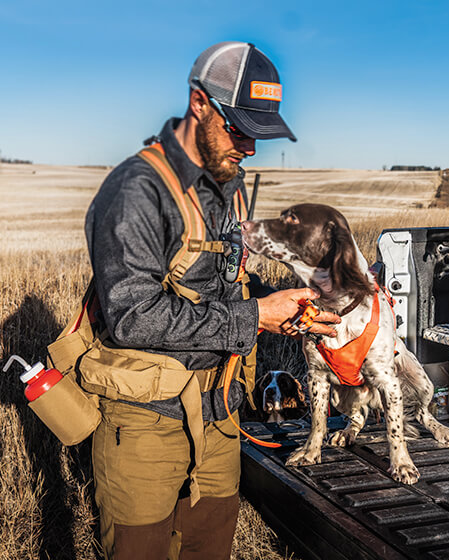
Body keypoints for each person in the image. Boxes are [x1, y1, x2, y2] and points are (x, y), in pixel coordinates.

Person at [83, 41, 339, 559]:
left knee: (210, 543)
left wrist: (283, 306)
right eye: (239, 129)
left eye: (258, 134)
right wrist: (253, 317)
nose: (249, 147)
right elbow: (134, 316)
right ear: (200, 103)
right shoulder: (135, 192)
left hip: (221, 410)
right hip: (145, 419)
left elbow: (226, 286)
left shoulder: (229, 186)